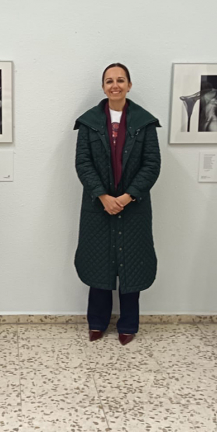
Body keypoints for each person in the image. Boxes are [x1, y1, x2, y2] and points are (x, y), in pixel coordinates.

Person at [74, 63, 161, 346]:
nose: (115, 85)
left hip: (133, 206)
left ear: (129, 85)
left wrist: (127, 196)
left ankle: (128, 323)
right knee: (99, 263)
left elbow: (151, 165)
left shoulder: (144, 121)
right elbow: (83, 164)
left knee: (131, 264)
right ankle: (97, 322)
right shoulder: (88, 122)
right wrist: (102, 196)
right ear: (103, 87)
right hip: (97, 205)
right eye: (109, 81)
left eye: (120, 80)